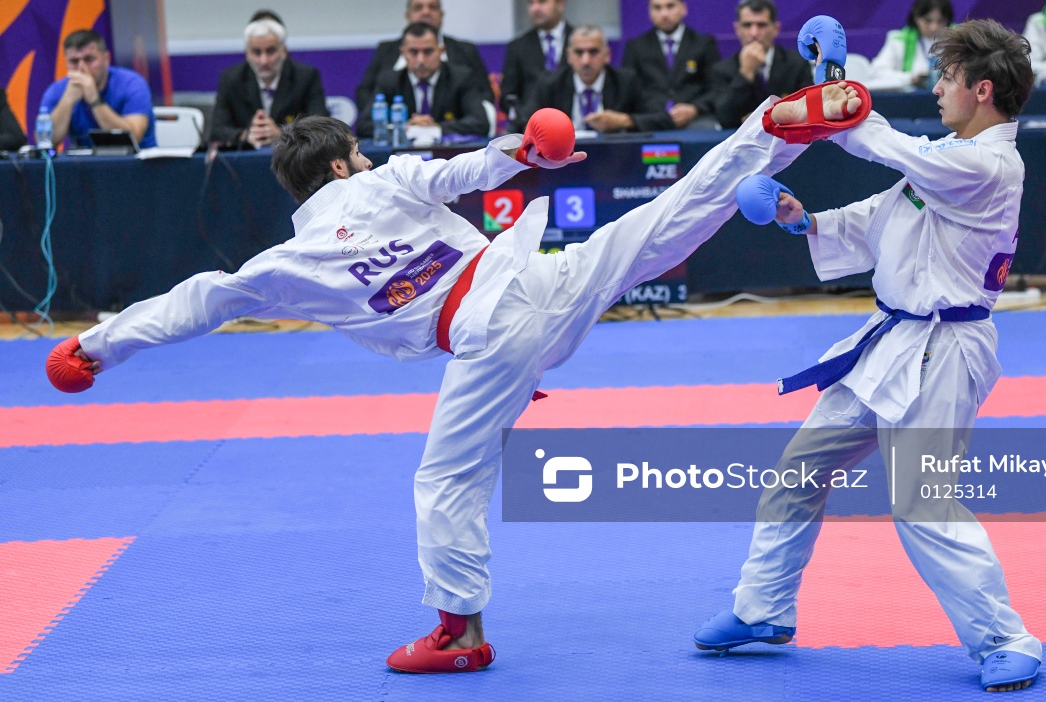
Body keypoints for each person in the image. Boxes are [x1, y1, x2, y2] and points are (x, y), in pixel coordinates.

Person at [46, 71, 861, 671]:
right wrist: (525, 150)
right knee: (669, 216)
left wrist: (97, 347)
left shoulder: (286, 263)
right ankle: (774, 126)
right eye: (357, 153)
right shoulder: (386, 180)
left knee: (444, 481)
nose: (364, 159)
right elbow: (469, 169)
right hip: (536, 280)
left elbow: (199, 298)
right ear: (342, 166)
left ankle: (459, 633)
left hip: (486, 334)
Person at [694, 19, 1043, 693]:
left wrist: (835, 85)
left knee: (922, 505)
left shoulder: (990, 166)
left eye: (948, 78)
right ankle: (761, 609)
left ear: (982, 90)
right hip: (888, 342)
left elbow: (880, 143)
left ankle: (1006, 638)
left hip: (945, 351)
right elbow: (882, 216)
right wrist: (805, 220)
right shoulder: (948, 157)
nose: (937, 88)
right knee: (799, 469)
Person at [354, 0, 493, 119]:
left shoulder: (464, 50)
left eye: (432, 7)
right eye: (418, 7)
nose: (426, 12)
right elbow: (365, 92)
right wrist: (392, 122)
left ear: (441, 15)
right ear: (408, 15)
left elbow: (484, 94)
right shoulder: (386, 50)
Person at [520, 26, 673, 133]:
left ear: (607, 55)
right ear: (569, 56)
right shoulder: (550, 84)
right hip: (562, 159)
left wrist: (624, 120)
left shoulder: (626, 81)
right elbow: (523, 123)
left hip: (614, 158)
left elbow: (662, 119)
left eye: (593, 52)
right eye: (579, 52)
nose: (586, 61)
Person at [355, 22, 490, 141]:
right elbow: (364, 126)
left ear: (441, 51)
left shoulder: (461, 77)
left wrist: (436, 127)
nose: (421, 60)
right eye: (413, 52)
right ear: (403, 52)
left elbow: (480, 123)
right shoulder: (389, 81)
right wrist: (404, 127)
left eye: (428, 51)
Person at [208, 16, 329, 148]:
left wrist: (282, 134)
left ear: (284, 51)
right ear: (247, 53)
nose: (264, 61)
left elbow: (321, 127)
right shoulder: (231, 79)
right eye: (257, 52)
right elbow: (216, 131)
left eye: (270, 51)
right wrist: (246, 135)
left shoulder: (306, 77)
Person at [621, 0, 723, 129]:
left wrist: (695, 109)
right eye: (657, 8)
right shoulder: (636, 46)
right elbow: (628, 90)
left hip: (695, 120)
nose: (664, 14)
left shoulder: (703, 43)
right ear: (649, 12)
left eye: (670, 6)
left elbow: (716, 87)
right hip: (649, 119)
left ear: (683, 8)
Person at [38, 30, 156, 149]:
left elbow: (133, 138)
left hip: (134, 159)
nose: (81, 68)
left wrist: (94, 100)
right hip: (83, 160)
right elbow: (44, 142)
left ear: (106, 58)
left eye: (89, 59)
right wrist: (67, 101)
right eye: (74, 61)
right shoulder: (57, 90)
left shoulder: (132, 84)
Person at [712, 0, 814, 128]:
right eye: (747, 25)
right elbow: (723, 118)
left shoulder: (796, 63)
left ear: (776, 29)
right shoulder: (722, 69)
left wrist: (767, 118)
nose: (754, 33)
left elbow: (809, 108)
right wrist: (746, 72)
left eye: (761, 25)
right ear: (737, 29)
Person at [501, 0, 573, 127]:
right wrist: (524, 119)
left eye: (542, 1)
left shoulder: (581, 43)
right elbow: (507, 96)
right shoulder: (517, 46)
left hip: (574, 125)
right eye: (531, 2)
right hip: (532, 128)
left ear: (560, 3)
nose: (535, 8)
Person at [870, 0, 954, 87]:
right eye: (928, 20)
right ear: (916, 17)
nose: (934, 27)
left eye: (940, 21)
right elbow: (876, 72)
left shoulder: (959, 38)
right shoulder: (899, 40)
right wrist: (910, 78)